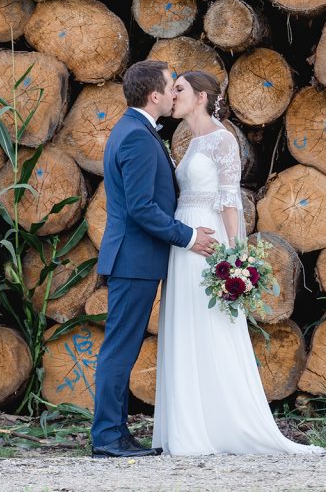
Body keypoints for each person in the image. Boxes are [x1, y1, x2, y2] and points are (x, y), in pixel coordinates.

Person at [152, 70, 324, 456]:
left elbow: (230, 201)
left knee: (212, 325)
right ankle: (189, 424)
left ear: (200, 97)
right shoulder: (191, 141)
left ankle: (224, 423)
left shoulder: (222, 140)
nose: (171, 95)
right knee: (186, 323)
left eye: (178, 90)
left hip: (208, 239)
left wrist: (236, 257)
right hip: (185, 241)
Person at [90, 60, 218, 458]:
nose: (175, 92)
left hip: (135, 259)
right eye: (170, 86)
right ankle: (108, 437)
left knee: (121, 347)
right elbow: (143, 208)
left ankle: (117, 433)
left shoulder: (135, 131)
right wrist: (189, 236)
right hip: (134, 259)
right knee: (120, 349)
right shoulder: (137, 138)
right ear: (154, 95)